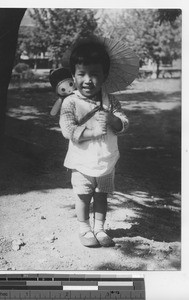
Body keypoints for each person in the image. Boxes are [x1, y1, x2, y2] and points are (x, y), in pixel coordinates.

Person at [59, 38, 129, 247]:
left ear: (105, 76)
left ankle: (99, 228)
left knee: (101, 195)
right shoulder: (70, 101)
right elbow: (68, 130)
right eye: (81, 74)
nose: (88, 80)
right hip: (82, 160)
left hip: (106, 158)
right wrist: (93, 131)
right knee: (83, 194)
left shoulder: (111, 101)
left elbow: (124, 123)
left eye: (95, 74)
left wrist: (113, 120)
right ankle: (84, 228)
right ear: (73, 76)